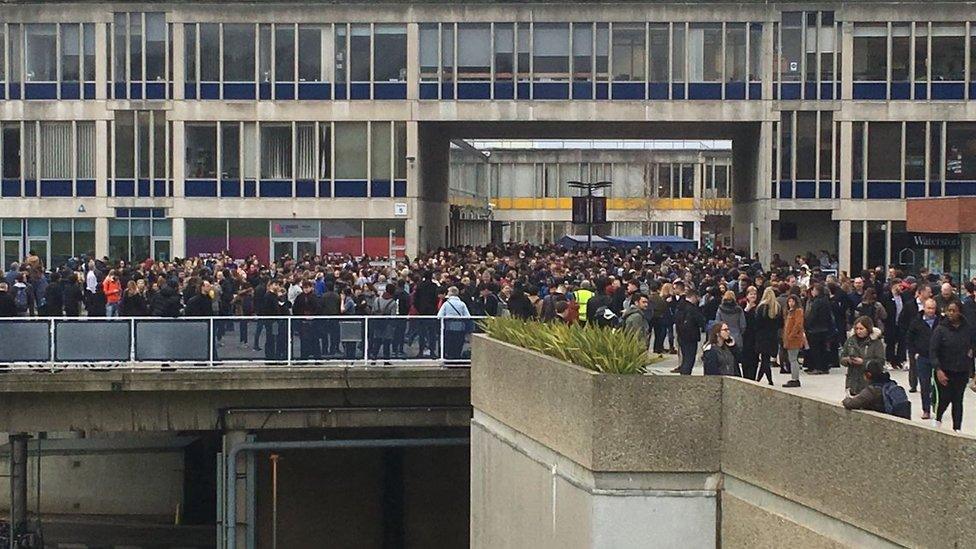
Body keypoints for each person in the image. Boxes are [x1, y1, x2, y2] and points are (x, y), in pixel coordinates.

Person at [930, 302, 973, 432]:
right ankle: (937, 419)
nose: (951, 313)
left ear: (960, 312)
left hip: (961, 371)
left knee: (958, 400)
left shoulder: (967, 329)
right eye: (949, 310)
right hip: (944, 370)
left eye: (954, 311)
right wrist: (938, 369)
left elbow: (972, 345)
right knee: (944, 398)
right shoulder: (940, 329)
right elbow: (933, 350)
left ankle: (957, 428)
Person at [906, 298, 939, 420]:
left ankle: (936, 404)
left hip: (938, 357)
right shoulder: (917, 322)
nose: (931, 311)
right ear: (924, 308)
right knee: (924, 384)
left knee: (938, 384)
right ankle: (926, 409)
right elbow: (909, 338)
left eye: (933, 308)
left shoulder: (941, 321)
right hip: (923, 357)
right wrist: (913, 353)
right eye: (929, 308)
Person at [840, 316, 885, 397]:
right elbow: (842, 357)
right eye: (856, 329)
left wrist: (863, 362)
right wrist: (847, 360)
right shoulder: (850, 341)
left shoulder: (876, 343)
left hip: (869, 382)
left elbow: (880, 362)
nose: (858, 331)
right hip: (852, 381)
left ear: (868, 329)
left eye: (861, 329)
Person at [754, 287, 782, 386]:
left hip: (762, 336)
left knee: (764, 359)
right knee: (766, 358)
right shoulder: (777, 307)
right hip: (773, 336)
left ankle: (768, 380)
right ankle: (759, 378)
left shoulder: (761, 307)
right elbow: (781, 323)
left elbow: (757, 323)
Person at [803, 283, 833, 375]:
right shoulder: (826, 300)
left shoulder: (817, 302)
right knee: (823, 348)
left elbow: (813, 315)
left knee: (815, 349)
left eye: (814, 290)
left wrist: (806, 325)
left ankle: (817, 367)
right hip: (824, 328)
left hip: (815, 329)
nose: (812, 292)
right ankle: (824, 367)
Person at [674, 290, 706, 375]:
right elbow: (701, 321)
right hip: (691, 336)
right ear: (693, 296)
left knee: (685, 357)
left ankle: (684, 374)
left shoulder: (680, 306)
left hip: (681, 335)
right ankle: (686, 376)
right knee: (690, 358)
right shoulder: (692, 309)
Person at [438, 286, 471, 362]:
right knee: (458, 343)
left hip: (448, 326)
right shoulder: (462, 304)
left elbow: (439, 316)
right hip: (460, 327)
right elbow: (467, 316)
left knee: (450, 343)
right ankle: (457, 358)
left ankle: (449, 358)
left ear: (450, 293)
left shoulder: (446, 304)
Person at [781, 294, 806, 388]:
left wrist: (791, 335)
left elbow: (798, 325)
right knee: (792, 359)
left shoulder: (798, 311)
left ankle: (795, 379)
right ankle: (794, 377)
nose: (791, 303)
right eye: (789, 301)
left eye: (792, 301)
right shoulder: (789, 312)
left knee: (793, 359)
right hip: (788, 338)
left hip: (794, 339)